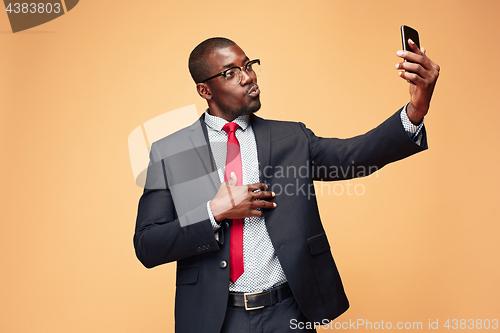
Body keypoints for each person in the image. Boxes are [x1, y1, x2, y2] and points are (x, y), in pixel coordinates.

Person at [134, 37, 440, 333]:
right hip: (217, 319)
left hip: (289, 314)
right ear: (205, 90)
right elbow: (148, 244)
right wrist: (214, 212)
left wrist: (416, 110)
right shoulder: (171, 152)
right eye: (231, 73)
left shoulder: (291, 138)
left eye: (248, 65)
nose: (247, 77)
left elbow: (353, 157)